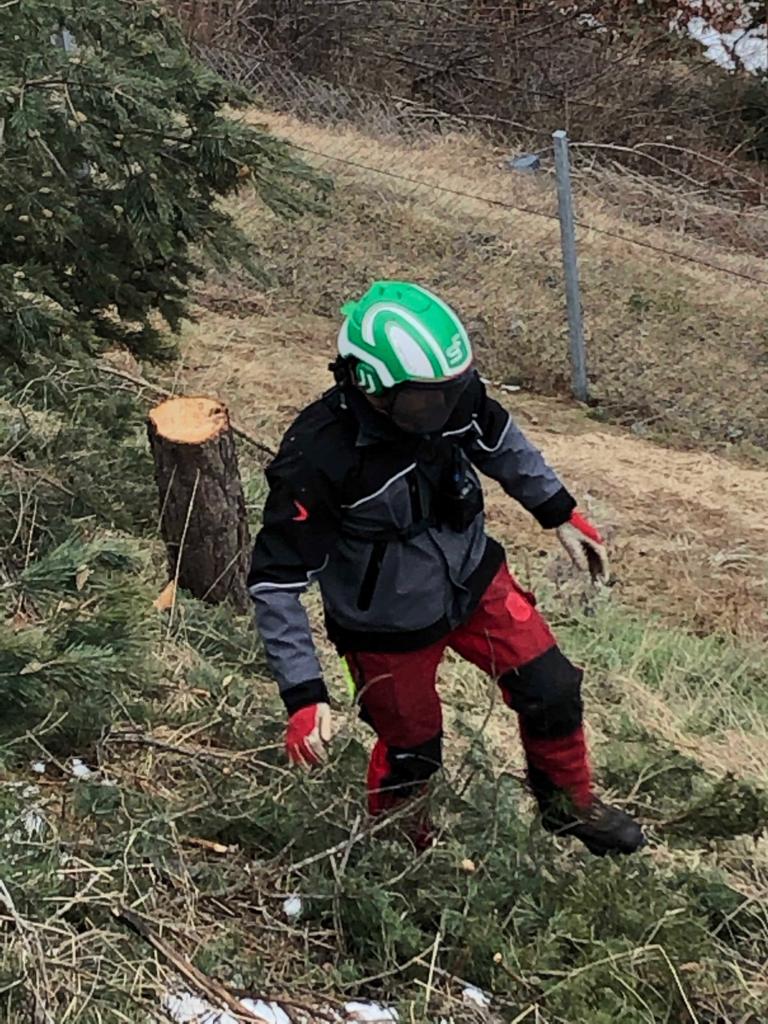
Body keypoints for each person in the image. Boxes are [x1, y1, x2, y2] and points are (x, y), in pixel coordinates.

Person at [248, 281, 644, 856]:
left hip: (473, 577)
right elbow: (275, 582)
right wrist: (304, 695)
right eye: (422, 402)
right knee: (413, 750)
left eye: (449, 394)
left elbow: (500, 438)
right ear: (368, 385)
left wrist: (558, 510)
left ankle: (568, 806)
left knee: (551, 687)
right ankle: (401, 853)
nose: (440, 413)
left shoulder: (445, 398)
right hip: (386, 626)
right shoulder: (318, 458)